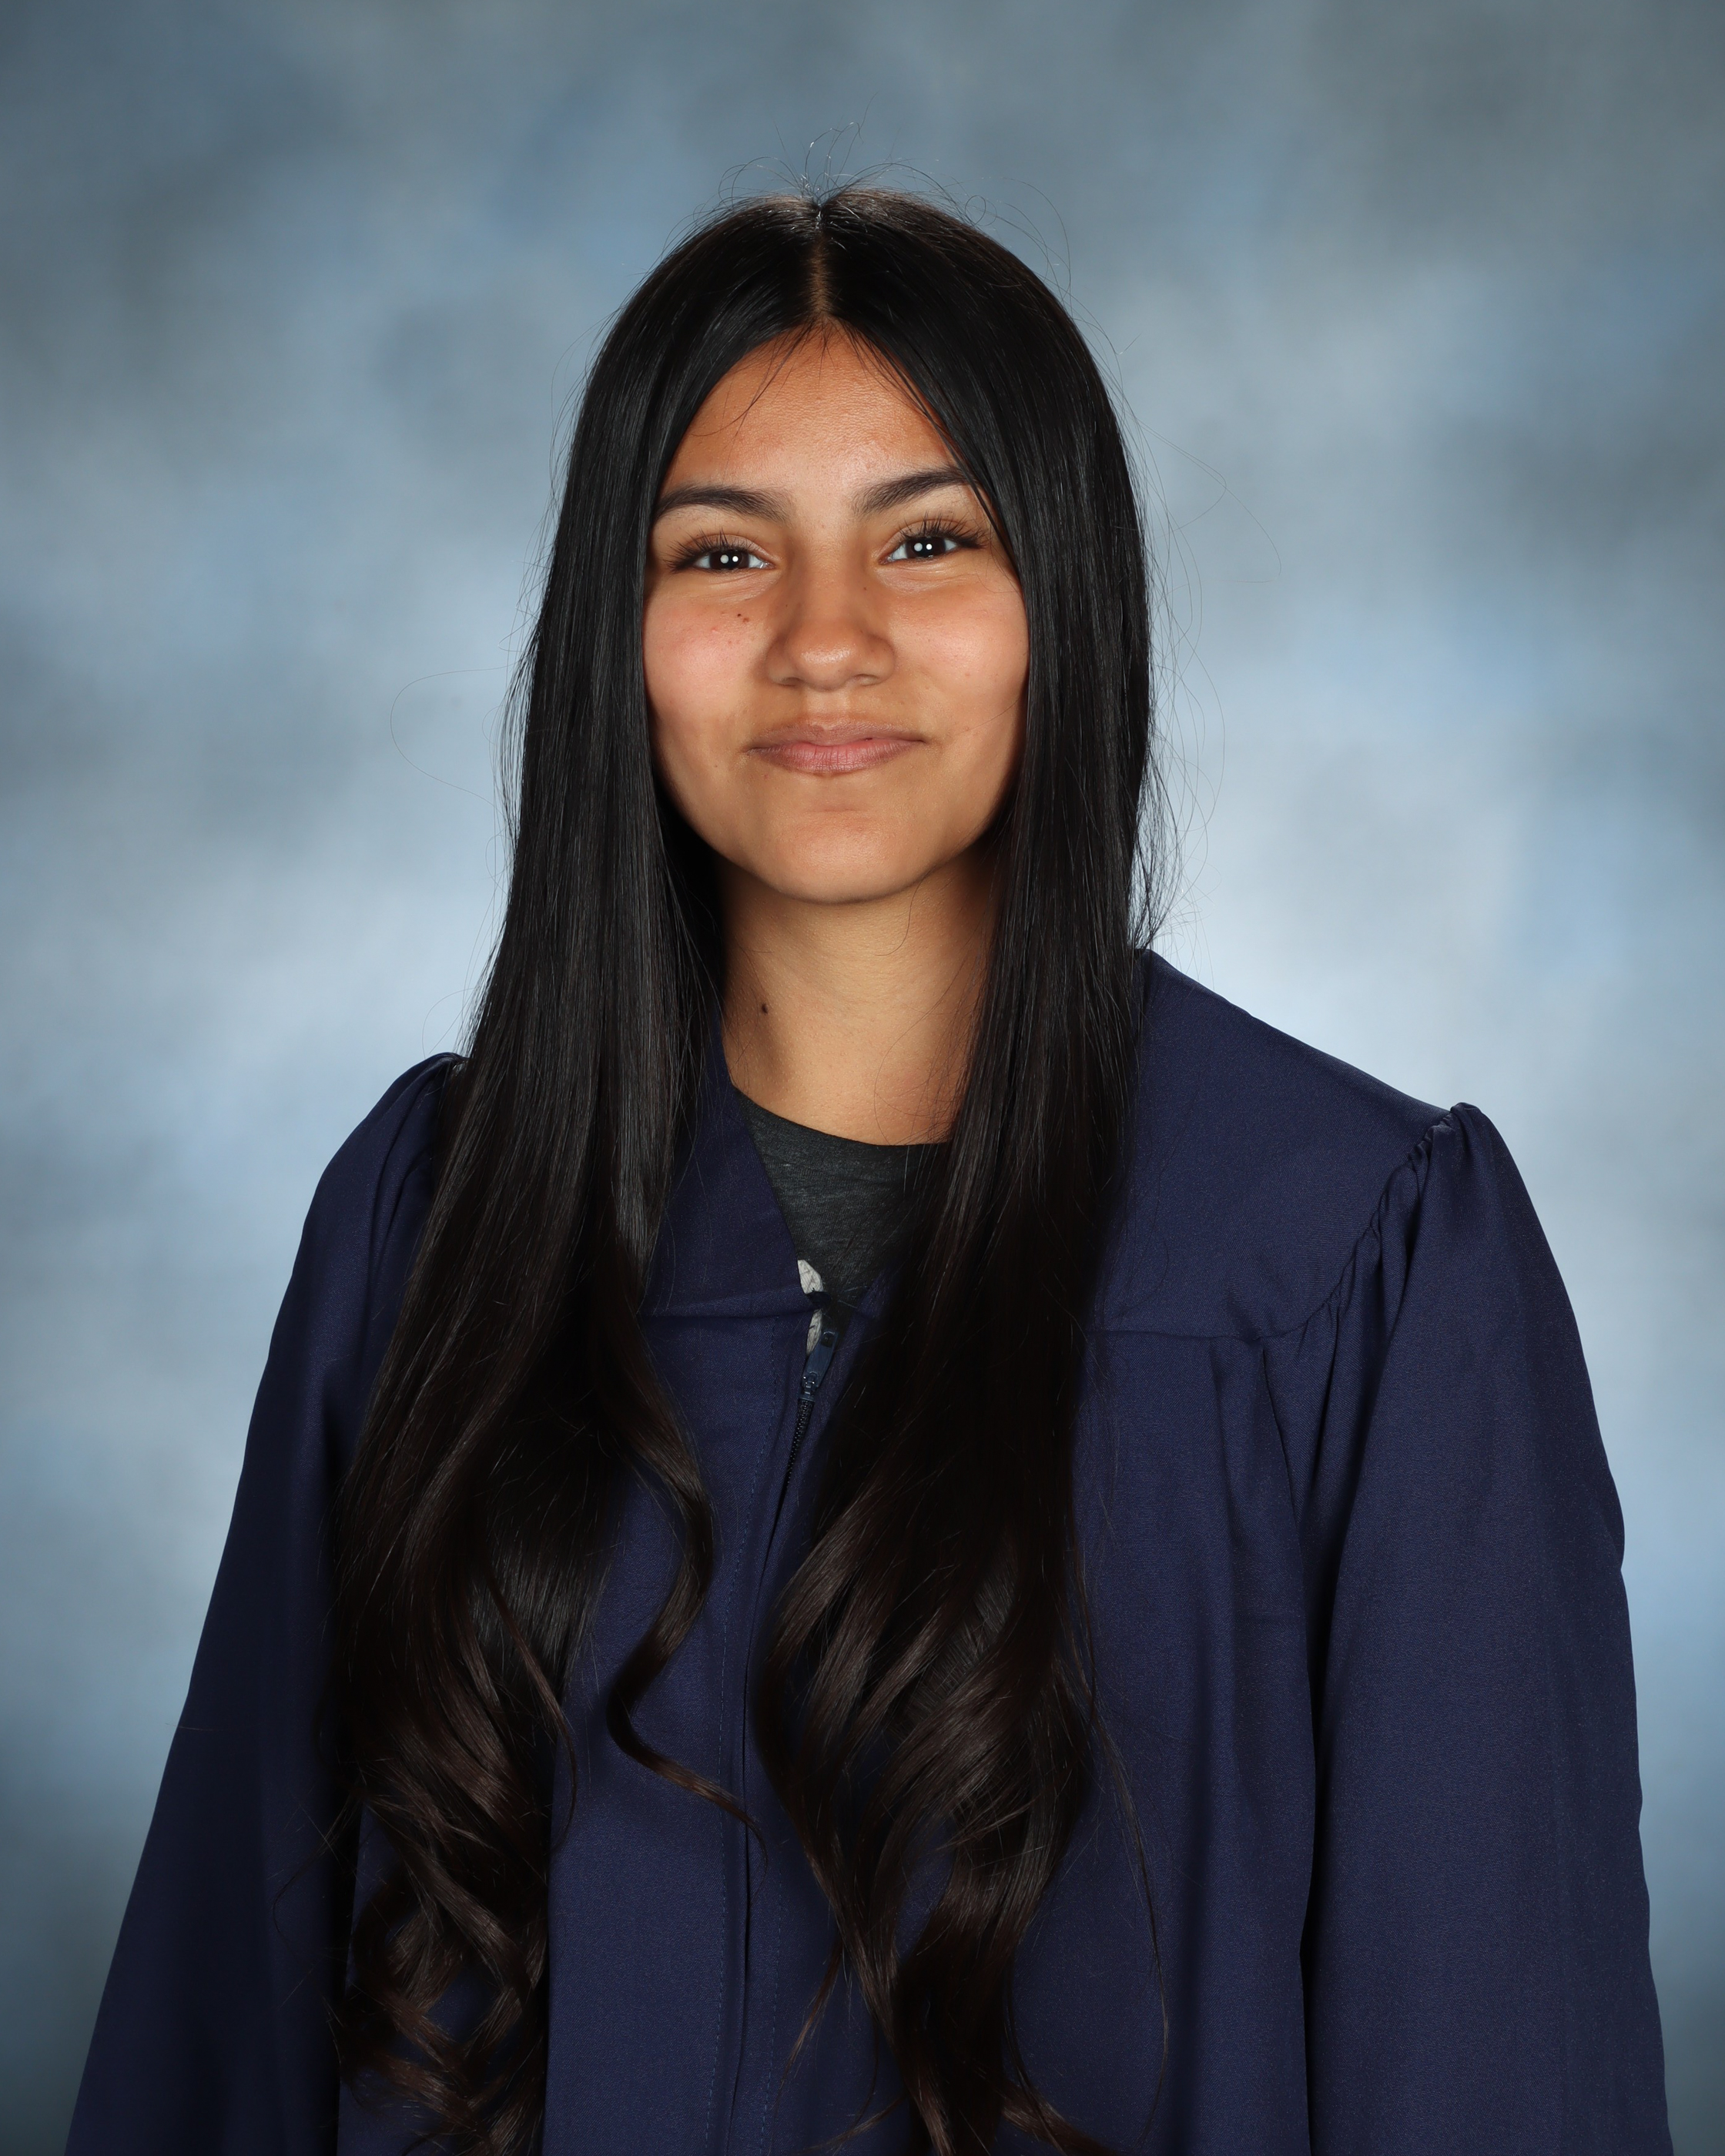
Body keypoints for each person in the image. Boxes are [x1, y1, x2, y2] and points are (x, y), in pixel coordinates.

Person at [67, 188, 1671, 2156]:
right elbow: (225, 2024)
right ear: (617, 635)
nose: (824, 642)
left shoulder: (1355, 1262)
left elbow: (1495, 2059)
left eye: (927, 539)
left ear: (1060, 600)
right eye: (722, 551)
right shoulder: (437, 1224)